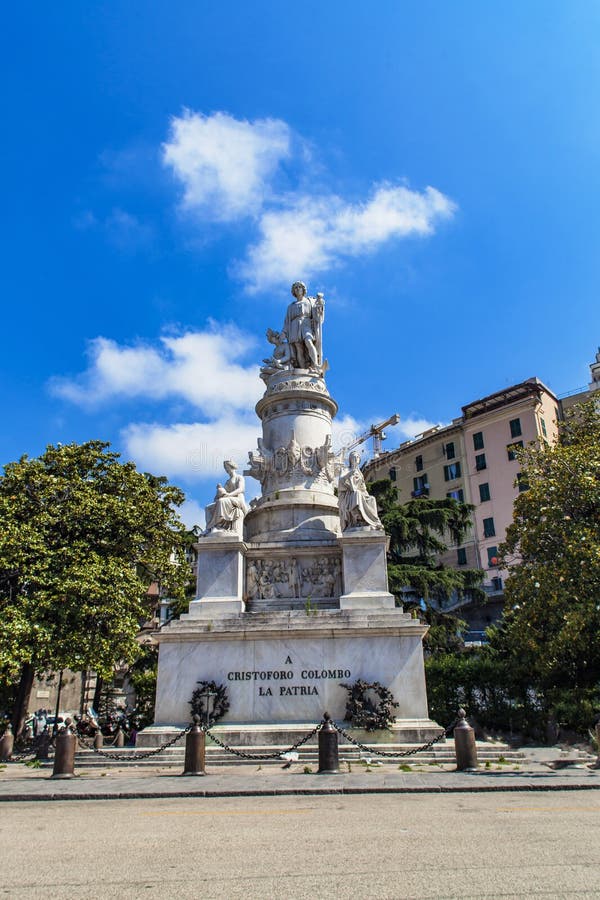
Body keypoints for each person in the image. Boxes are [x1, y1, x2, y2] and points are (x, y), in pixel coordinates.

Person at [282, 282, 324, 370]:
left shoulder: (310, 301)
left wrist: (320, 305)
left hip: (306, 324)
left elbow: (317, 315)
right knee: (299, 349)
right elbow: (287, 322)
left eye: (299, 287)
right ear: (293, 291)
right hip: (294, 326)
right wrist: (284, 332)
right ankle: (303, 369)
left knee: (309, 341)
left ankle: (315, 364)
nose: (297, 289)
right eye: (295, 288)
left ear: (303, 289)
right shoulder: (290, 306)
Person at [338, 451, 383, 531]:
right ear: (350, 459)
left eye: (357, 458)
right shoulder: (345, 469)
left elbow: (363, 488)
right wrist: (350, 473)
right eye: (354, 458)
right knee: (357, 494)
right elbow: (341, 480)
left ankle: (374, 522)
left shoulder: (360, 473)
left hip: (360, 493)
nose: (355, 459)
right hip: (349, 494)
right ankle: (357, 520)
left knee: (372, 499)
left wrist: (366, 496)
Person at [204, 461, 249, 534]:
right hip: (229, 499)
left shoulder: (239, 477)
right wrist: (220, 490)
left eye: (227, 467)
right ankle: (209, 528)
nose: (226, 469)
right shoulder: (227, 482)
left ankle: (218, 526)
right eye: (225, 468)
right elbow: (222, 493)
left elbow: (241, 489)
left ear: (231, 466)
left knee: (221, 501)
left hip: (237, 499)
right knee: (208, 508)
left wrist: (229, 494)